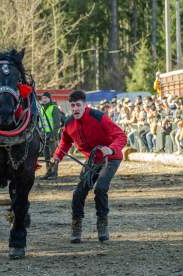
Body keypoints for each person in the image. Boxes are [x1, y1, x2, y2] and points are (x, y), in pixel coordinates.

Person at [50, 90, 127, 243]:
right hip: (92, 161)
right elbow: (65, 142)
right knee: (78, 193)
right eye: (72, 106)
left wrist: (111, 149)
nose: (75, 109)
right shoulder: (69, 122)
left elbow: (121, 136)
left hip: (110, 158)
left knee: (100, 188)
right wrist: (57, 156)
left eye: (78, 105)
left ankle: (102, 224)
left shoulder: (99, 117)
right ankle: (76, 225)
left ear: (85, 105)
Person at [39, 92, 61, 180]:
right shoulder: (41, 109)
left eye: (46, 98)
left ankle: (54, 173)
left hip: (52, 135)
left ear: (49, 99)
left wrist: (53, 135)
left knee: (54, 155)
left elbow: (57, 124)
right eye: (43, 98)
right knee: (46, 155)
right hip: (44, 135)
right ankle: (48, 172)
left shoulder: (54, 108)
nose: (44, 100)